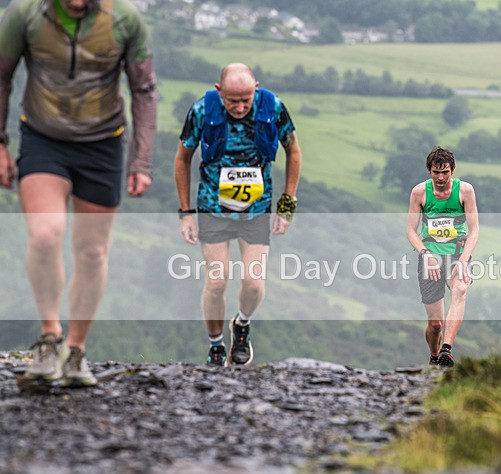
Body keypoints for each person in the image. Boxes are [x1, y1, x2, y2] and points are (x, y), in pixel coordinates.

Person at [0, 0, 157, 386]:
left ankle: (76, 350)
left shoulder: (125, 18)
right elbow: (1, 76)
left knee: (91, 252)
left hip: (103, 144)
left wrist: (140, 161)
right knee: (45, 233)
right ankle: (49, 338)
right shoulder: (24, 14)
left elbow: (145, 90)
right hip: (43, 138)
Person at [174, 63, 301, 367]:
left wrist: (287, 205)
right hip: (213, 209)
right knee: (217, 282)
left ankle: (241, 325)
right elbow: (182, 159)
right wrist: (185, 213)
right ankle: (216, 344)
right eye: (233, 101)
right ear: (219, 92)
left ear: (256, 88)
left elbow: (293, 152)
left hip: (256, 211)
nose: (241, 107)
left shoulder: (273, 107)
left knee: (254, 284)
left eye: (247, 99)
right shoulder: (202, 110)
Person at [406, 146, 479, 367]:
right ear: (429, 171)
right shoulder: (419, 193)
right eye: (436, 172)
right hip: (430, 257)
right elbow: (410, 230)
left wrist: (465, 261)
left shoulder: (465, 191)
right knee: (435, 324)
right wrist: (425, 254)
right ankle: (434, 355)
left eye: (445, 172)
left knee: (460, 289)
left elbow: (474, 229)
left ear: (453, 170)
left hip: (457, 254)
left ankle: (446, 351)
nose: (440, 177)